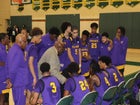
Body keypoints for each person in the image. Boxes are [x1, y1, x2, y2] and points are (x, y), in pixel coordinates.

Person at [6, 34, 28, 105]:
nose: (26, 44)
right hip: (19, 83)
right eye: (25, 42)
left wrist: (9, 79)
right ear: (20, 42)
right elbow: (13, 68)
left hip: (17, 82)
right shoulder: (18, 52)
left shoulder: (12, 50)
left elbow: (9, 66)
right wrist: (11, 80)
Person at [25, 27, 43, 105]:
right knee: (31, 98)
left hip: (27, 74)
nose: (41, 39)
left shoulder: (28, 46)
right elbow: (30, 63)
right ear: (35, 36)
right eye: (40, 37)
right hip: (31, 75)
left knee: (28, 98)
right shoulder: (33, 48)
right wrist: (34, 77)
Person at [0, 33, 10, 105]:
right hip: (2, 74)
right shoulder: (1, 50)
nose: (9, 39)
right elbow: (7, 62)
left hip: (3, 73)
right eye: (7, 38)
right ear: (2, 40)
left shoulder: (3, 48)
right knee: (3, 93)